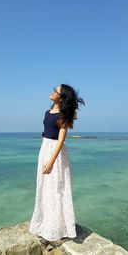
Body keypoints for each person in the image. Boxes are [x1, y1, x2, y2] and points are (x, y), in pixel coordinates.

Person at [29, 84, 85, 243]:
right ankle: (45, 224)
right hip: (45, 149)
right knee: (45, 187)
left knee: (57, 188)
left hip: (56, 153)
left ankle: (59, 228)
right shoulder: (47, 112)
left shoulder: (63, 115)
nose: (52, 91)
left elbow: (61, 140)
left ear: (61, 98)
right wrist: (44, 155)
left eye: (56, 91)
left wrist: (52, 161)